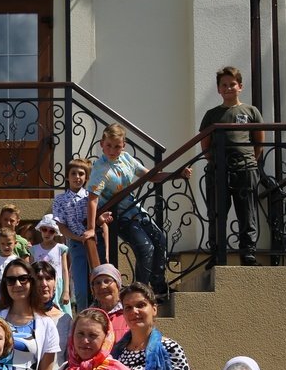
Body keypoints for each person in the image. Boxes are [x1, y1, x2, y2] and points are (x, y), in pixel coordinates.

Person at [86, 123, 191, 296]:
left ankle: (158, 286)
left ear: (124, 145)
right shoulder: (100, 168)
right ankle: (140, 292)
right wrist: (91, 228)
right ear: (101, 144)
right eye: (109, 145)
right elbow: (92, 198)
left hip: (135, 209)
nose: (112, 150)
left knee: (160, 239)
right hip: (118, 215)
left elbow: (151, 176)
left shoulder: (126, 158)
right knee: (145, 248)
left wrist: (177, 174)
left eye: (117, 146)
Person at [200, 66, 265, 266]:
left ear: (240, 86)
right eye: (224, 85)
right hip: (218, 171)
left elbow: (259, 141)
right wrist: (215, 162)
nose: (228, 88)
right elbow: (205, 144)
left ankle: (248, 254)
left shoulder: (251, 111)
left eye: (232, 84)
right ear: (218, 89)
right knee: (216, 213)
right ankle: (217, 254)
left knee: (247, 213)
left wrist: (249, 160)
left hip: (245, 169)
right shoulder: (212, 114)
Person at [52, 158, 93, 310]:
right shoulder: (60, 200)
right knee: (81, 289)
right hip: (76, 244)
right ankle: (83, 315)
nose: (77, 177)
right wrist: (77, 238)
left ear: (86, 177)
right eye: (73, 173)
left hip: (94, 243)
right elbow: (61, 226)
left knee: (98, 283)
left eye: (81, 174)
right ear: (67, 177)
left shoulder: (91, 197)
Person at [32, 261, 72, 367]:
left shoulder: (65, 319)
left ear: (55, 284)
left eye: (48, 278)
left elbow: (70, 358)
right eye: (39, 278)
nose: (44, 284)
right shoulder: (21, 316)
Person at [32, 213, 72, 315]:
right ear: (40, 229)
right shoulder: (34, 249)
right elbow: (31, 272)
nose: (47, 233)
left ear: (55, 233)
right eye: (44, 229)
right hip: (40, 285)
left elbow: (64, 270)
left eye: (51, 231)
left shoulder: (60, 248)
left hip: (58, 286)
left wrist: (66, 291)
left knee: (61, 313)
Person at [89, 264, 129, 343]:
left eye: (107, 281)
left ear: (118, 285)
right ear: (93, 290)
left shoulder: (129, 312)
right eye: (97, 283)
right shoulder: (88, 316)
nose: (102, 286)